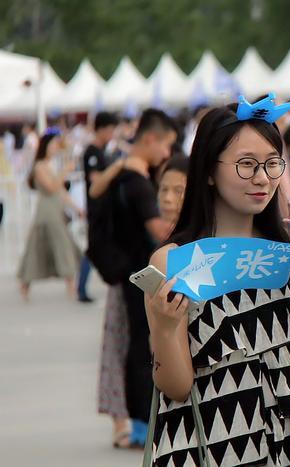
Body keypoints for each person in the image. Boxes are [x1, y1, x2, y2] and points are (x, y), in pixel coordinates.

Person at [144, 99, 290, 466]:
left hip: (289, 443)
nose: (263, 178)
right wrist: (163, 328)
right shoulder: (176, 261)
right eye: (246, 165)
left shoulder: (282, 254)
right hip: (210, 446)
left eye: (272, 163)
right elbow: (176, 386)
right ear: (209, 171)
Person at [97, 155, 189, 449]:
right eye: (163, 189)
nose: (167, 198)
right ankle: (141, 425)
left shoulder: (196, 247)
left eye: (178, 190)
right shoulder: (155, 239)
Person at [110, 108, 177, 447]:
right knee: (144, 350)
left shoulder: (122, 175)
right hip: (142, 276)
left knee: (135, 348)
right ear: (150, 139)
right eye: (166, 146)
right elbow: (159, 229)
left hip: (126, 275)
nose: (166, 154)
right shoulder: (137, 184)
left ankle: (137, 423)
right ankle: (141, 424)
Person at [17, 128, 83, 300]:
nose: (55, 148)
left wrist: (77, 208)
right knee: (45, 247)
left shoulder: (50, 165)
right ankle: (26, 285)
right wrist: (65, 171)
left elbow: (61, 192)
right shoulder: (40, 167)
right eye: (53, 145)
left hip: (55, 211)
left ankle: (71, 286)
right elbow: (52, 187)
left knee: (62, 246)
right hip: (46, 213)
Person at [77, 111, 119, 303]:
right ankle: (81, 289)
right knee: (93, 249)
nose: (112, 134)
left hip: (105, 209)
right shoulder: (92, 152)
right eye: (110, 130)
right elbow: (95, 180)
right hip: (96, 209)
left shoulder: (102, 151)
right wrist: (116, 168)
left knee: (96, 248)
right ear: (101, 129)